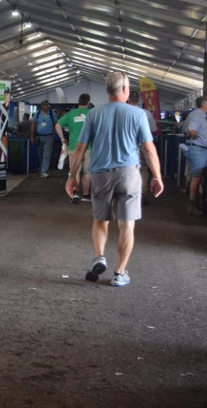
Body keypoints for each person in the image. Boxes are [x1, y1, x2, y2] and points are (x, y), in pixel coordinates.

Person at [67, 72, 163, 287]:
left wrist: (71, 176)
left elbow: (80, 148)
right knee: (127, 224)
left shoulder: (94, 114)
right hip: (128, 173)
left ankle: (99, 256)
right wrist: (156, 176)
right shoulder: (137, 114)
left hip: (100, 173)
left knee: (101, 219)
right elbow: (148, 148)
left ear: (107, 90)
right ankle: (119, 273)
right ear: (126, 89)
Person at [55, 93, 92, 203]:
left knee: (75, 171)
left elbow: (57, 125)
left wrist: (62, 139)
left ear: (78, 101)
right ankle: (86, 195)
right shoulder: (92, 114)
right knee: (87, 173)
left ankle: (74, 193)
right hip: (88, 147)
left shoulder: (71, 114)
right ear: (88, 102)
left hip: (74, 147)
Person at [183, 95, 207, 216]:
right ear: (203, 104)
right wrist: (196, 138)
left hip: (201, 149)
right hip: (197, 150)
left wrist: (206, 144)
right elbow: (191, 130)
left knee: (197, 176)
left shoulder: (200, 116)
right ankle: (192, 205)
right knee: (197, 177)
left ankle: (195, 202)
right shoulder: (197, 115)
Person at [128, 91, 157, 206]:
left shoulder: (124, 112)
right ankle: (142, 192)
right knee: (143, 169)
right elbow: (153, 129)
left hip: (128, 146)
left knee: (128, 168)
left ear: (129, 99)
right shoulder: (146, 113)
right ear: (139, 100)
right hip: (142, 145)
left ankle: (129, 192)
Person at [30, 100, 58, 178]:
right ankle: (42, 168)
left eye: (48, 105)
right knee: (40, 154)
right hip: (39, 137)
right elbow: (33, 125)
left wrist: (53, 134)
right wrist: (32, 136)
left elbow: (56, 124)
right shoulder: (37, 114)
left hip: (49, 137)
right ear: (42, 106)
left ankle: (44, 172)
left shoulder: (52, 114)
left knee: (47, 155)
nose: (47, 106)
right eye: (46, 105)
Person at [0, 87, 11, 163]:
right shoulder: (1, 106)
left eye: (7, 94)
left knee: (4, 149)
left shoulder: (10, 106)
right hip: (2, 131)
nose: (6, 96)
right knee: (1, 149)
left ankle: (5, 164)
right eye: (5, 94)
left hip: (7, 131)